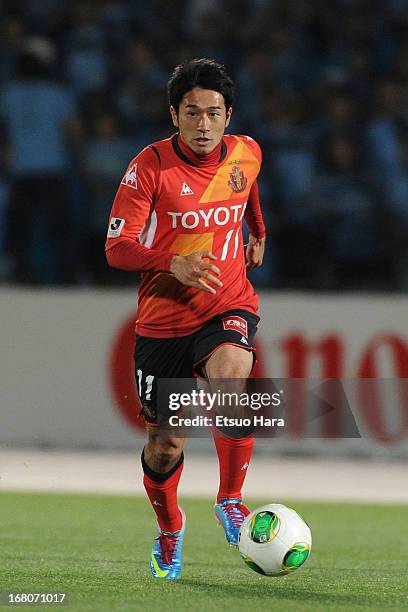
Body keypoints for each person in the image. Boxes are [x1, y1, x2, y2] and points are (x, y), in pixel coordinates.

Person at [106, 58, 266, 580]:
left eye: (213, 113)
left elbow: (249, 191)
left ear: (228, 116)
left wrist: (257, 228)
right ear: (174, 114)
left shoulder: (247, 152)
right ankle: (171, 529)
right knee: (165, 445)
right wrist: (171, 261)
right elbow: (117, 248)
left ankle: (231, 499)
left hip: (226, 301)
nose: (203, 124)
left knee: (232, 376)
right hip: (164, 319)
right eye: (192, 113)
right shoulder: (148, 168)